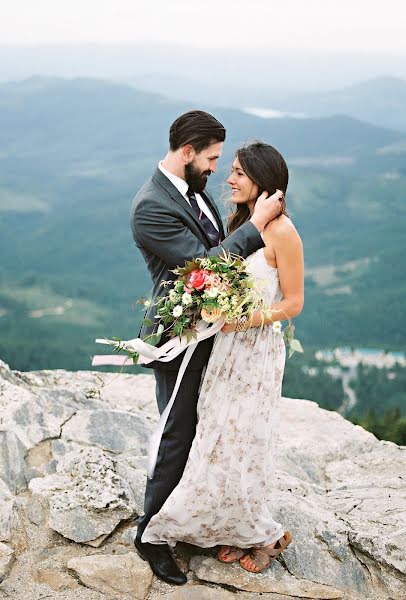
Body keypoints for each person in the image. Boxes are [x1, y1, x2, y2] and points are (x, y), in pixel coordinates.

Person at [130, 112, 284, 585]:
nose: (218, 169)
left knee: (205, 431)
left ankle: (189, 520)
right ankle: (150, 538)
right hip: (180, 337)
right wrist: (256, 224)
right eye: (214, 158)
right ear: (189, 150)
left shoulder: (191, 190)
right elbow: (205, 267)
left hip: (213, 334)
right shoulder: (151, 207)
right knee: (177, 432)